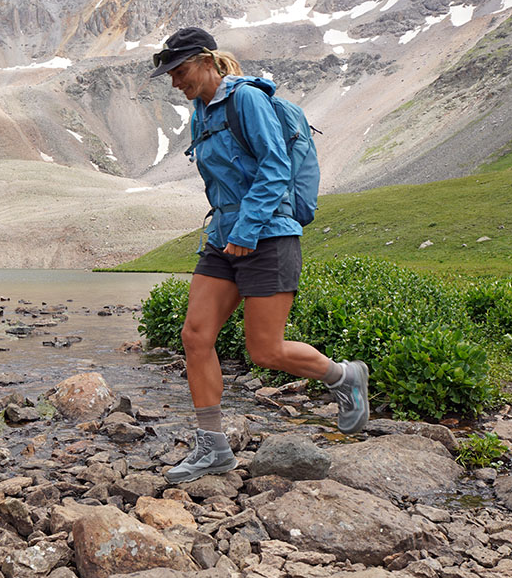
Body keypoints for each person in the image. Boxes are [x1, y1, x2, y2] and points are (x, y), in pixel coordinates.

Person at [150, 27, 370, 484]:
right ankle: (213, 449)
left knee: (264, 350)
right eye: (169, 74)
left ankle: (345, 377)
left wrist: (248, 230)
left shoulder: (246, 100)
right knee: (195, 336)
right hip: (224, 239)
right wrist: (229, 231)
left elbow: (275, 166)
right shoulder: (198, 112)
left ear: (206, 61)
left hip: (268, 236)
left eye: (180, 70)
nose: (175, 81)